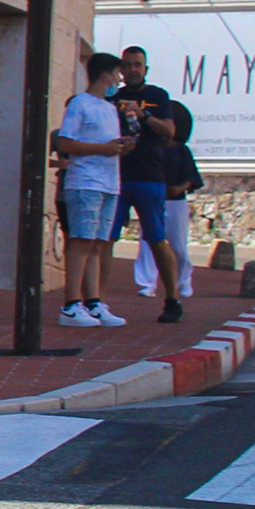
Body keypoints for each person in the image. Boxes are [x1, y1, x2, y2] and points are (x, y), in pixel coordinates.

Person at [52, 53, 135, 327]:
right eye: (117, 74)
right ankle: (71, 303)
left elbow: (106, 143)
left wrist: (121, 147)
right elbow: (65, 142)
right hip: (85, 181)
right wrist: (102, 149)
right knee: (81, 241)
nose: (119, 80)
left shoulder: (110, 108)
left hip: (110, 182)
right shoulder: (80, 104)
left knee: (99, 244)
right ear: (105, 76)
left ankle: (94, 301)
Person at [108, 46, 186, 323]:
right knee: (106, 240)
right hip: (116, 177)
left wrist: (144, 117)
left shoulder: (157, 96)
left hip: (149, 177)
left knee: (156, 238)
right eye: (127, 65)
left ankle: (172, 299)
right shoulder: (111, 97)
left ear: (145, 69)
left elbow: (169, 131)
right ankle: (97, 302)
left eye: (138, 65)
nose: (133, 70)